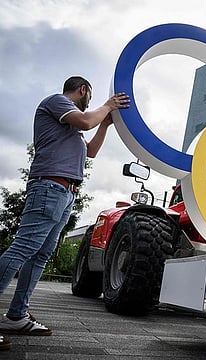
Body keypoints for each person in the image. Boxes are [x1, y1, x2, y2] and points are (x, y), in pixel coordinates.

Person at [0, 76, 130, 350]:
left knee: (40, 254)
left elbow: (91, 151)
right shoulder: (57, 102)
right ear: (82, 90)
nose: (89, 104)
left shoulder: (71, 132)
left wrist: (104, 124)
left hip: (65, 193)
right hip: (49, 186)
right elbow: (85, 120)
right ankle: (14, 314)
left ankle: (16, 316)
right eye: (89, 98)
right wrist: (107, 106)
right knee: (23, 248)